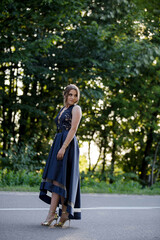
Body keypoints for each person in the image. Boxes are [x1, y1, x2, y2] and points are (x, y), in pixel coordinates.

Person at [39, 84, 82, 228]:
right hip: (58, 142)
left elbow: (73, 129)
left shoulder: (76, 109)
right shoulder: (63, 109)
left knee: (62, 179)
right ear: (65, 95)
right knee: (57, 179)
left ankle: (58, 214)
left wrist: (63, 147)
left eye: (75, 95)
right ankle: (59, 214)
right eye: (70, 94)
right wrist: (58, 145)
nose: (73, 98)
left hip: (67, 144)